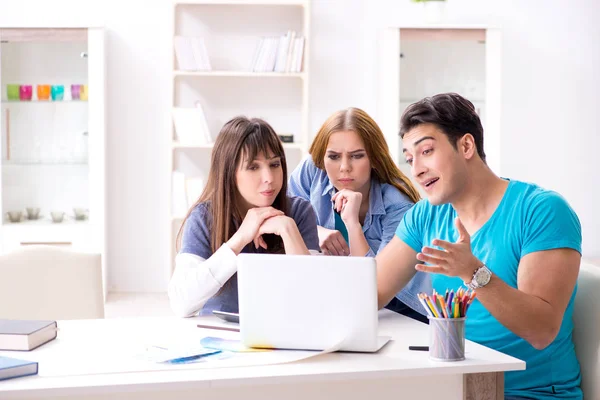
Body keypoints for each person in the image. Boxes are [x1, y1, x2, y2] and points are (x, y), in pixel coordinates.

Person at [376, 93, 582, 399]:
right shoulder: (426, 215)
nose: (416, 169)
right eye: (410, 158)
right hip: (454, 386)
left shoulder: (542, 211)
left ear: (467, 146)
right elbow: (371, 292)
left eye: (427, 151)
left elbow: (541, 331)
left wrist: (472, 271)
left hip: (529, 392)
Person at [169, 116, 320, 317]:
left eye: (275, 164)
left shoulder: (299, 212)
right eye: (253, 167)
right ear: (229, 173)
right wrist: (239, 240)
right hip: (219, 336)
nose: (269, 178)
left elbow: (314, 302)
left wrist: (288, 229)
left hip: (283, 334)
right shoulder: (204, 218)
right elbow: (181, 304)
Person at [289, 107, 431, 322]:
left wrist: (352, 224)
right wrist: (316, 231)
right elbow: (285, 214)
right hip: (345, 300)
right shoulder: (313, 171)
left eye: (356, 156)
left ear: (373, 158)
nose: (344, 167)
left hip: (402, 309)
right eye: (334, 157)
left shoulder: (398, 206)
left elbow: (371, 287)